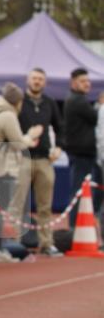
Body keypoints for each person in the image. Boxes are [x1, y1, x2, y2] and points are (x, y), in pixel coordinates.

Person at [0, 83, 43, 258]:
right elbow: (18, 143)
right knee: (0, 207)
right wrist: (31, 135)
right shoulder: (8, 115)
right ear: (17, 101)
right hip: (3, 167)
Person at [16, 68, 65, 255]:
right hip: (22, 158)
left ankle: (46, 242)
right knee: (19, 203)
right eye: (34, 78)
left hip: (44, 159)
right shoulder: (19, 101)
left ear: (45, 82)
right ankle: (17, 243)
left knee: (45, 205)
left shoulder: (50, 102)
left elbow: (61, 127)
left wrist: (59, 147)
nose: (37, 82)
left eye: (40, 79)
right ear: (28, 80)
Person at [64, 68, 104, 227]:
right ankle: (74, 229)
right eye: (83, 81)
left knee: (89, 192)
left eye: (88, 81)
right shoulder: (76, 100)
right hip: (80, 154)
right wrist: (100, 106)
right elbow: (96, 118)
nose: (87, 84)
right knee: (79, 192)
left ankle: (85, 226)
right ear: (73, 83)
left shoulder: (79, 99)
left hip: (86, 154)